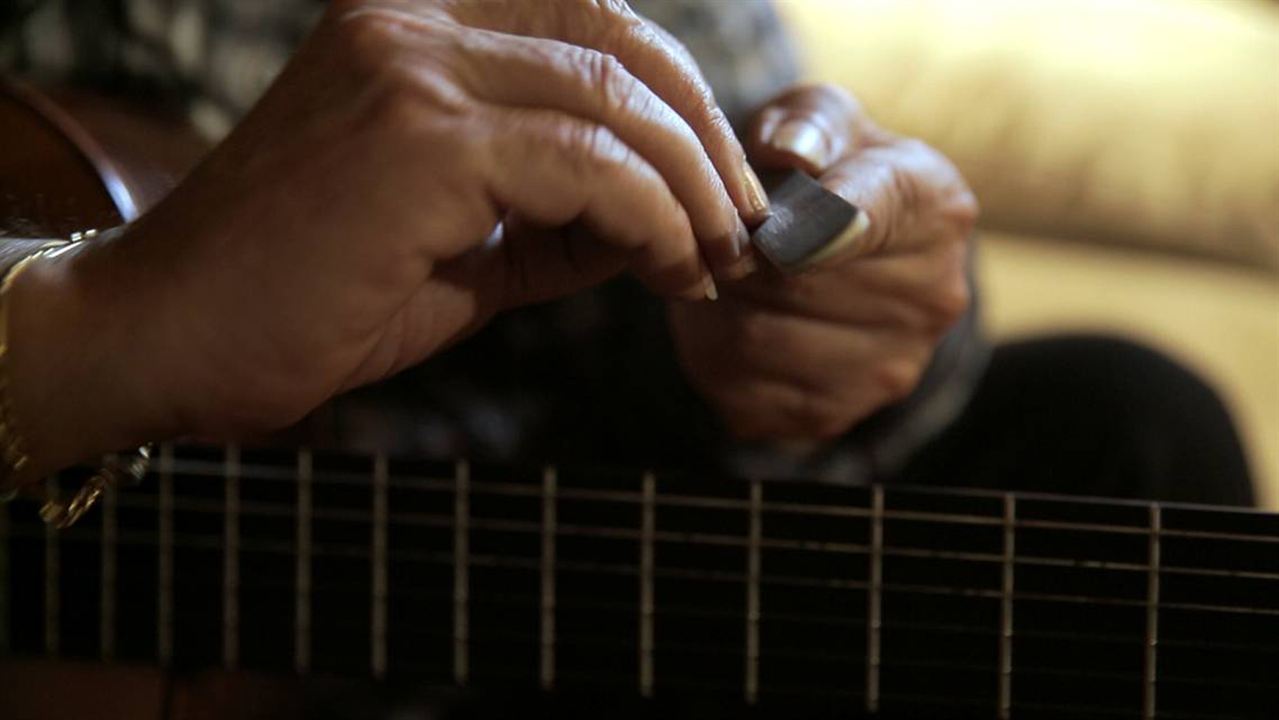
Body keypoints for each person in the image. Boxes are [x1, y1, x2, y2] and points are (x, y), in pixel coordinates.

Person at [0, 0, 1252, 507]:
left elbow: (798, 204)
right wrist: (88, 328)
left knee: (1129, 430)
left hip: (537, 556)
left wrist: (846, 329)